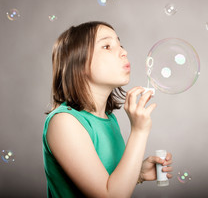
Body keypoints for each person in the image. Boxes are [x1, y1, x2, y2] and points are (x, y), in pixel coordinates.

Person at [42, 21, 173, 197]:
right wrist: (139, 131)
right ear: (78, 64)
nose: (124, 52)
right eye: (106, 46)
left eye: (121, 45)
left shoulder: (109, 119)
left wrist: (138, 174)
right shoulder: (64, 122)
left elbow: (106, 182)